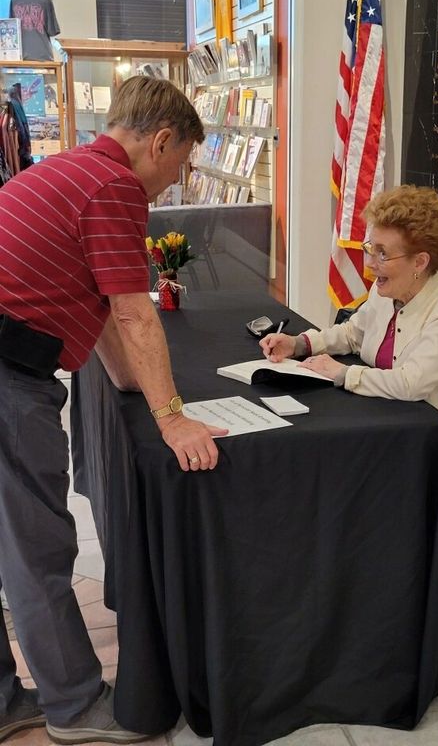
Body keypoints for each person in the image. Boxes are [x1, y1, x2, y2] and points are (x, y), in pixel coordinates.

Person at [0, 75, 227, 744]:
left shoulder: (70, 170)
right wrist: (171, 417)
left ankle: (8, 701)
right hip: (8, 378)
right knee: (34, 550)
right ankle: (73, 707)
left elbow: (98, 305)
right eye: (180, 163)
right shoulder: (114, 187)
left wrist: (135, 386)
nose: (174, 182)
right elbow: (131, 311)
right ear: (161, 141)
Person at [260, 184, 438, 487]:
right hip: (387, 426)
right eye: (372, 248)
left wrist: (343, 373)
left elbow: (411, 384)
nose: (370, 264)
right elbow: (354, 333)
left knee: (341, 475)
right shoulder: (387, 288)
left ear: (420, 262)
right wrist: (300, 343)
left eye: (382, 254)